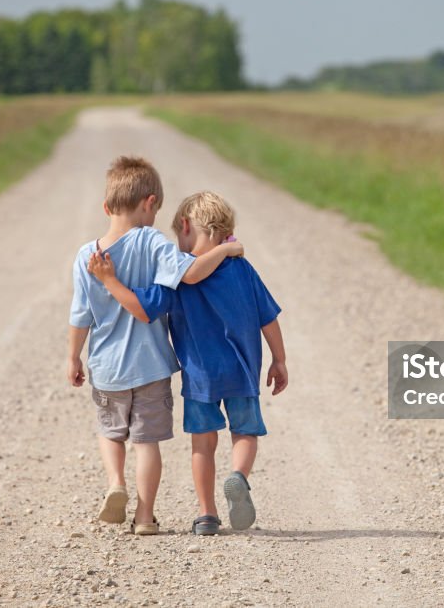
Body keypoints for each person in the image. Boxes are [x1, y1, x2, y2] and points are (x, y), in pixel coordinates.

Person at [87, 191, 287, 535]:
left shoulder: (176, 276)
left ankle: (207, 514)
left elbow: (143, 308)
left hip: (200, 377)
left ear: (184, 226)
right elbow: (268, 317)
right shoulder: (242, 268)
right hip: (242, 370)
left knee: (203, 445)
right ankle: (238, 476)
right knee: (246, 433)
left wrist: (110, 281)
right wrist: (279, 360)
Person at [68, 158, 243, 535]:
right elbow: (192, 272)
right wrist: (227, 250)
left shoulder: (86, 256)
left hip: (107, 366)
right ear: (150, 203)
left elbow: (80, 315)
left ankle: (116, 482)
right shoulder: (151, 242)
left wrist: (72, 358)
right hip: (150, 366)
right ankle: (145, 517)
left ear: (106, 207)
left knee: (110, 431)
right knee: (146, 443)